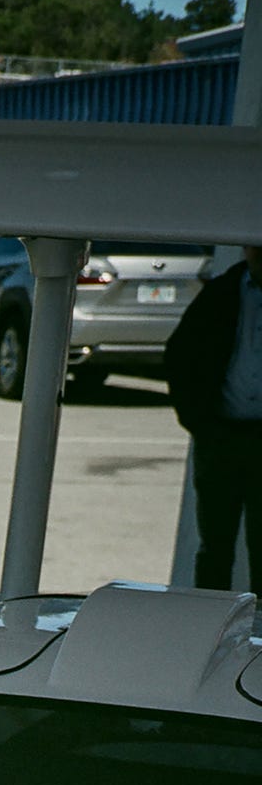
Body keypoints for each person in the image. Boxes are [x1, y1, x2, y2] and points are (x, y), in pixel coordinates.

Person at [166, 243, 262, 589]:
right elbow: (180, 355)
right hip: (221, 436)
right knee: (215, 547)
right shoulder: (222, 293)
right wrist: (199, 421)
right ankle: (209, 629)